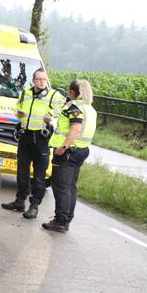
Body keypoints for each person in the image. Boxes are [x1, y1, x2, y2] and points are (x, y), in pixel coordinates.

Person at [2, 68, 66, 220]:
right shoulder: (26, 93)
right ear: (33, 80)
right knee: (22, 172)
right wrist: (18, 113)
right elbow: (17, 107)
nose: (42, 82)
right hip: (25, 136)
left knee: (39, 175)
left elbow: (65, 107)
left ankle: (34, 205)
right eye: (39, 79)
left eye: (44, 79)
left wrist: (52, 113)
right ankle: (20, 201)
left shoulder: (54, 95)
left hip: (41, 138)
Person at [43, 79, 97, 233]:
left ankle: (60, 221)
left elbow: (76, 128)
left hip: (68, 151)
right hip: (81, 150)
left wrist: (63, 147)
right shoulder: (90, 108)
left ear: (72, 92)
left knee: (61, 187)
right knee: (70, 186)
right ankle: (66, 219)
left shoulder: (74, 106)